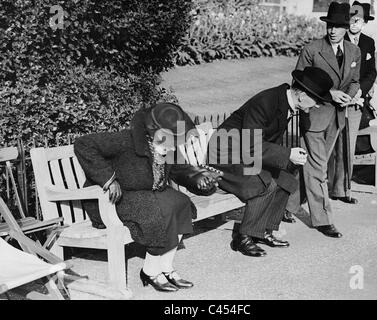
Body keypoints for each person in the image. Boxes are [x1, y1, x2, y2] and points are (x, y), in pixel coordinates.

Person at [74, 103, 222, 292]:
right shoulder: (125, 140)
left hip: (146, 192)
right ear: (154, 130)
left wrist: (199, 179)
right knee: (158, 210)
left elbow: (179, 169)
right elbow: (83, 144)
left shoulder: (168, 145)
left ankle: (166, 268)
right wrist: (109, 179)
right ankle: (150, 271)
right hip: (116, 198)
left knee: (181, 203)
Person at [208, 66, 334, 257]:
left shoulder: (284, 101)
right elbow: (250, 146)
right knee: (263, 182)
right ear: (301, 95)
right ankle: (243, 237)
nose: (317, 105)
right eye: (316, 100)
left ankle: (262, 231)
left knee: (286, 180)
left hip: (244, 154)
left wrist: (285, 158)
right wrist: (287, 154)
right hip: (224, 156)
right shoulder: (266, 101)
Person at [295, 1, 361, 238]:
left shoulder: (354, 52)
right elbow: (298, 82)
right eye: (330, 25)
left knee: (310, 166)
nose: (332, 30)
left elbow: (355, 81)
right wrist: (329, 93)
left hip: (337, 117)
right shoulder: (312, 49)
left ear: (347, 27)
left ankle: (288, 204)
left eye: (338, 26)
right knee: (318, 168)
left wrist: (349, 97)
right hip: (313, 116)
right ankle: (323, 220)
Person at [329, 1, 377, 204]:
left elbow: (371, 72)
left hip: (357, 101)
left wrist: (360, 93)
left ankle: (343, 189)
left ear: (365, 22)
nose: (353, 24)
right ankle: (326, 188)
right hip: (339, 99)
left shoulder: (368, 42)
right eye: (351, 20)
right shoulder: (339, 37)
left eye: (358, 20)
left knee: (348, 146)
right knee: (331, 146)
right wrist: (347, 93)